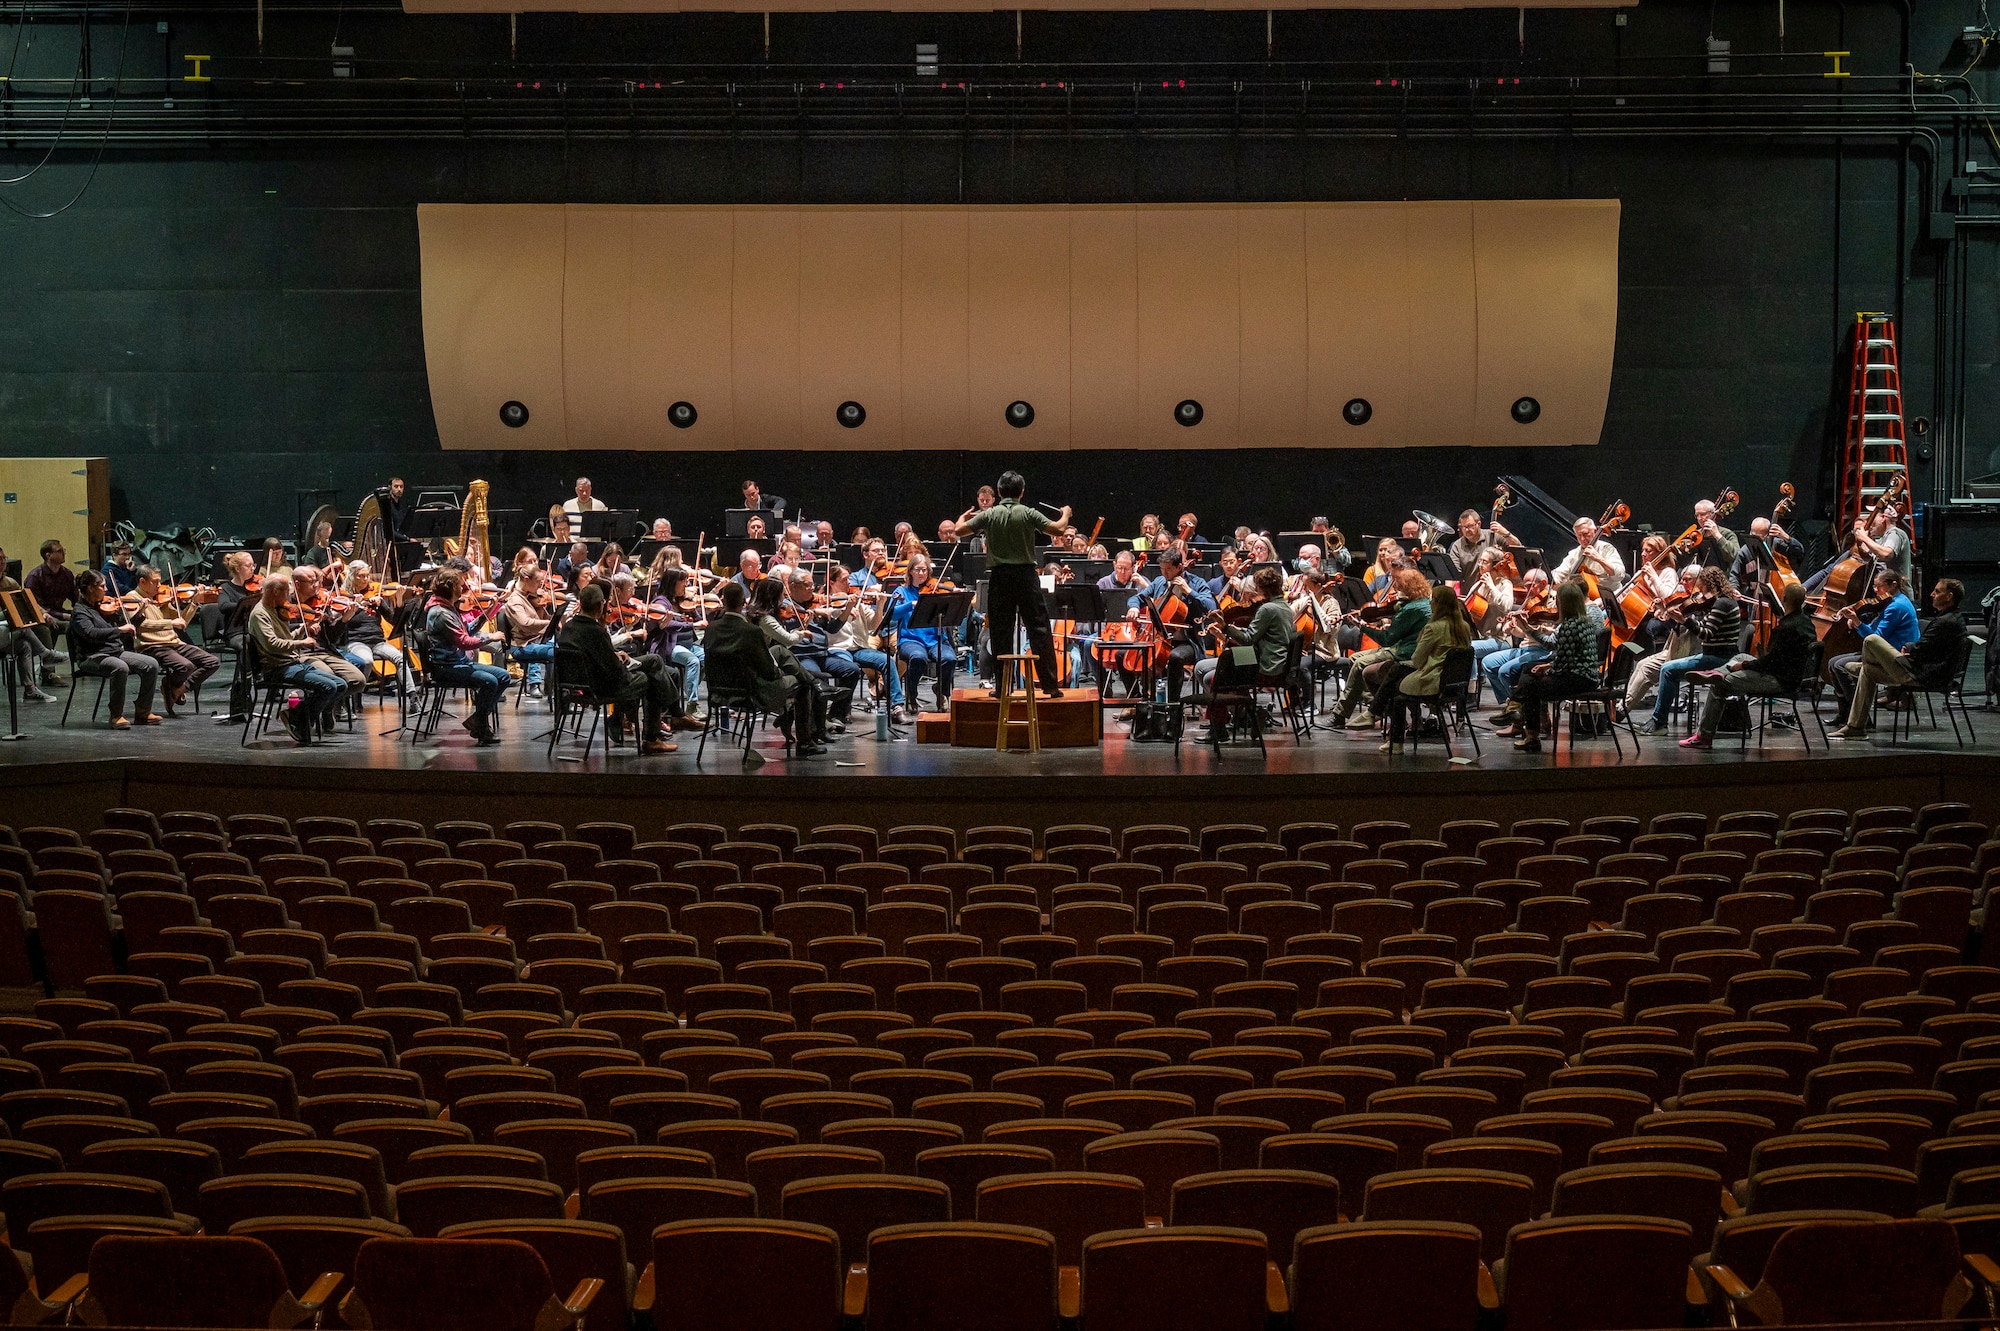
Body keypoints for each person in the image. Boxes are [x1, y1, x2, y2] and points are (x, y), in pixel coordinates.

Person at [956, 471, 1071, 701]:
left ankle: (1002, 687)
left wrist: (963, 516)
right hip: (1027, 577)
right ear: (1022, 492)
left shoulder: (989, 514)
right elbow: (1058, 529)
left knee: (1000, 632)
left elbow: (959, 530)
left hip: (1000, 577)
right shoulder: (1028, 512)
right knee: (1039, 630)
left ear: (998, 493)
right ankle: (1050, 686)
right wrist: (1066, 513)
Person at [558, 581, 696, 754]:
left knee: (654, 662)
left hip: (579, 684)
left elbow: (591, 655)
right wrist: (624, 662)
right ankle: (657, 732)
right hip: (602, 686)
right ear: (600, 604)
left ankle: (659, 723)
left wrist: (617, 655)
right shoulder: (596, 631)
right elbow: (613, 670)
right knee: (650, 677)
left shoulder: (568, 627)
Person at [1679, 582, 1817, 748]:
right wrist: (1745, 662)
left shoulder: (1786, 628)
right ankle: (1715, 672)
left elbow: (1769, 663)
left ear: (1784, 599)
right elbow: (1774, 661)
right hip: (1788, 675)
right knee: (1741, 656)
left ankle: (1703, 737)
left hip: (1780, 681)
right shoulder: (1806, 623)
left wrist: (1744, 666)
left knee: (1720, 685)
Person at [1834, 577, 1969, 739]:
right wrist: (1911, 648)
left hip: (1919, 675)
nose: (1932, 594)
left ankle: (1874, 665)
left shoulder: (1946, 622)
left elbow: (1922, 649)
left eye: (1937, 591)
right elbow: (1926, 646)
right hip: (1918, 669)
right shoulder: (1951, 618)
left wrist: (1911, 649)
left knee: (1871, 640)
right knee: (1866, 670)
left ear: (1949, 596)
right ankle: (1856, 728)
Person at [705, 580, 821, 758]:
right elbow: (767, 670)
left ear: (724, 601)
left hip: (718, 690)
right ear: (743, 602)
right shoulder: (751, 631)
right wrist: (780, 674)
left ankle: (807, 694)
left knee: (780, 652)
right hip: (752, 692)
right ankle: (805, 742)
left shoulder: (711, 628)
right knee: (801, 685)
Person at [1639, 566, 1742, 734]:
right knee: (1669, 668)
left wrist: (1684, 620)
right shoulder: (1723, 601)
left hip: (1719, 658)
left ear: (1710, 585)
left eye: (1701, 588)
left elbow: (1707, 634)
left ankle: (1659, 722)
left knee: (1667, 669)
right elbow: (1707, 628)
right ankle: (1659, 720)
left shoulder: (1721, 604)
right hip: (1719, 655)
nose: (1700, 592)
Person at [1192, 564, 1293, 733]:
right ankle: (1244, 714)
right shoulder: (1283, 606)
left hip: (1265, 666)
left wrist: (1225, 626)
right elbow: (1258, 633)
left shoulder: (1267, 609)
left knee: (1213, 677)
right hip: (1274, 660)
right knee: (1206, 670)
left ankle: (1220, 728)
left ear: (1262, 588)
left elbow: (1248, 639)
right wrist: (1233, 631)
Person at [1504, 581, 1601, 753]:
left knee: (1531, 688)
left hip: (1579, 679)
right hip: (1586, 676)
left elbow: (1563, 662)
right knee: (1529, 668)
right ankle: (1516, 710)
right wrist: (1529, 629)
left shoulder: (1570, 626)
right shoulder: (1583, 622)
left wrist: (1547, 668)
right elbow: (1566, 655)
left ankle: (1525, 725)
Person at [247, 572, 345, 744]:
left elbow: (287, 637)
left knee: (340, 684)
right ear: (276, 592)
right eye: (286, 591)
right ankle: (301, 719)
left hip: (292, 663)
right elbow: (272, 644)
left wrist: (304, 627)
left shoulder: (277, 610)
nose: (289, 596)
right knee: (328, 687)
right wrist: (302, 643)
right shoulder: (260, 614)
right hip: (277, 668)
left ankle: (298, 715)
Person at [1330, 567, 1432, 730]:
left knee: (1363, 668)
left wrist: (1363, 627)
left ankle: (1377, 709)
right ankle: (1378, 708)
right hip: (1414, 651)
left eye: (1398, 584)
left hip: (1406, 654)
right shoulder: (1423, 602)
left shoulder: (1410, 609)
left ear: (1407, 587)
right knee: (1356, 659)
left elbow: (1387, 639)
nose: (1395, 587)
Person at [1382, 582, 1474, 752]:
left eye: (1433, 600)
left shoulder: (1433, 628)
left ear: (1439, 604)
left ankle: (1395, 741)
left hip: (1434, 681)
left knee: (1396, 692)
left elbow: (1417, 661)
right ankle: (1379, 715)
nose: (1430, 603)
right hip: (1455, 686)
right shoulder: (1464, 627)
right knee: (1396, 673)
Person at [421, 570, 510, 745]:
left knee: (503, 676)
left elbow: (466, 630)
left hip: (457, 662)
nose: (463, 588)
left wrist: (491, 608)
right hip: (445, 667)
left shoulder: (447, 607)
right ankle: (481, 725)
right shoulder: (441, 613)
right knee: (490, 681)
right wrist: (490, 637)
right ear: (451, 588)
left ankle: (477, 719)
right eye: (459, 585)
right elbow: (464, 641)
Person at [66, 571, 162, 728]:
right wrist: (120, 630)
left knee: (151, 664)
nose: (106, 590)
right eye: (102, 586)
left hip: (115, 652)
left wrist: (139, 613)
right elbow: (91, 634)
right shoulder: (79, 612)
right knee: (119, 667)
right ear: (90, 588)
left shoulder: (106, 607)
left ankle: (143, 712)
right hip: (92, 656)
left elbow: (126, 628)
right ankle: (116, 715)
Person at [126, 566, 220, 710]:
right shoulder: (132, 599)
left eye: (160, 581)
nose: (160, 586)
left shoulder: (161, 599)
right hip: (152, 645)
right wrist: (170, 623)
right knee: (186, 666)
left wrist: (194, 603)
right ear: (142, 581)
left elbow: (182, 622)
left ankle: (178, 689)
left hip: (174, 643)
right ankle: (169, 685)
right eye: (155, 582)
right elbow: (141, 625)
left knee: (212, 662)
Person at [1827, 570, 1920, 706]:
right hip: (1884, 650)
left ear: (1893, 585)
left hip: (1893, 655)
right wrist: (1859, 622)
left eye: (1879, 586)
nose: (1876, 591)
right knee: (1832, 663)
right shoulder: (1893, 601)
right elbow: (1875, 628)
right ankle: (1843, 713)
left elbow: (1876, 640)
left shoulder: (1896, 606)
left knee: (1839, 666)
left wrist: (1857, 622)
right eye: (1874, 586)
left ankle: (1856, 712)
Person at [1139, 546, 1218, 705]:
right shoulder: (1159, 582)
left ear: (1179, 567)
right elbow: (1139, 598)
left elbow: (1211, 606)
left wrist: (1189, 591)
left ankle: (1173, 705)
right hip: (1160, 638)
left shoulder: (1197, 583)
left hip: (1187, 642)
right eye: (1162, 569)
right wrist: (1134, 607)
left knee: (1175, 657)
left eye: (1168, 569)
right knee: (1126, 654)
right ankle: (1141, 700)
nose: (1164, 573)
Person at [886, 553, 955, 718]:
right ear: (910, 571)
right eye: (918, 569)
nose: (922, 573)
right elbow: (891, 614)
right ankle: (912, 693)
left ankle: (942, 691)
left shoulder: (935, 590)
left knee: (950, 658)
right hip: (910, 639)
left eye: (925, 570)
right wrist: (911, 605)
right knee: (918, 658)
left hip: (935, 639)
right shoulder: (901, 591)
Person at [0, 543, 67, 702]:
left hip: (5, 632)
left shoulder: (10, 583)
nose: (2, 561)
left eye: (4, 558)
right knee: (21, 628)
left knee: (25, 645)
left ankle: (30, 691)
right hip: (4, 628)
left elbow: (28, 602)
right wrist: (8, 613)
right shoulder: (35, 575)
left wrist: (43, 614)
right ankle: (46, 654)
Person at [502, 566, 557, 697]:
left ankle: (554, 689)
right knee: (558, 653)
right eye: (538, 582)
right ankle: (561, 693)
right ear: (526, 579)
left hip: (537, 641)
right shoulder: (515, 600)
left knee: (564, 648)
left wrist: (561, 616)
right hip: (522, 646)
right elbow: (525, 623)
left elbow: (545, 619)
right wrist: (550, 623)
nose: (540, 587)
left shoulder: (528, 597)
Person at [25, 539, 78, 645]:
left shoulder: (66, 573)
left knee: (85, 620)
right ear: (48, 555)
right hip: (41, 616)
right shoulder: (34, 577)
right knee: (71, 625)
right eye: (59, 551)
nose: (63, 553)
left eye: (63, 550)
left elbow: (74, 597)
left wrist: (80, 610)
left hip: (58, 612)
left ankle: (81, 656)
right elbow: (36, 606)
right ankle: (50, 657)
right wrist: (63, 615)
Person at [1552, 515, 1626, 585]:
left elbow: (1619, 575)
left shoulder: (1606, 548)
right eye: (1579, 536)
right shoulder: (1574, 554)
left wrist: (1599, 558)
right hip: (1587, 597)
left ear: (1595, 531)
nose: (1582, 539)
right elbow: (1558, 574)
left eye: (1585, 534)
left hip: (1609, 595)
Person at [1447, 509, 1519, 577]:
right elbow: (1453, 574)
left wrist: (1506, 533)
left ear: (1479, 524)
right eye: (1463, 527)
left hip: (1495, 588)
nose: (1466, 530)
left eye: (1470, 526)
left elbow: (1518, 548)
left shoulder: (1493, 536)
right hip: (1471, 589)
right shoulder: (1457, 546)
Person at [1683, 497, 1741, 572]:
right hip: (1700, 578)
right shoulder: (1695, 534)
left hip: (1723, 578)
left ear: (1713, 513)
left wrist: (1717, 535)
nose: (1699, 518)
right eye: (1697, 515)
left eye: (1703, 514)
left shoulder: (1727, 533)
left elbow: (1735, 555)